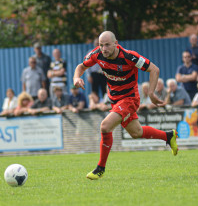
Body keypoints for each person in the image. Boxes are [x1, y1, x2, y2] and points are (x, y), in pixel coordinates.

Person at [73, 31, 178, 180]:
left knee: (105, 126)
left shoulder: (129, 56)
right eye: (101, 45)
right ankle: (168, 136)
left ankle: (100, 168)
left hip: (130, 99)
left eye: (107, 45)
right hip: (115, 100)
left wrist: (151, 93)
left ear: (116, 43)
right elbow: (81, 66)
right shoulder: (97, 54)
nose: (104, 48)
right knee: (136, 133)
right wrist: (77, 78)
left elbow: (154, 69)